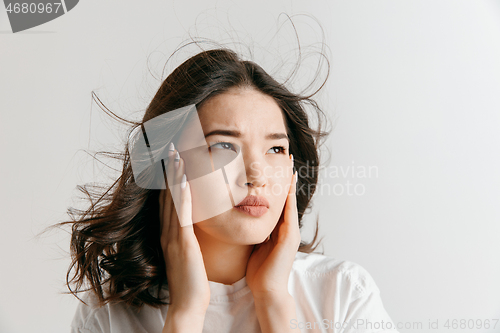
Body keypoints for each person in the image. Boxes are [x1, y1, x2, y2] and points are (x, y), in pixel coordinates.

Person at [67, 47, 399, 332]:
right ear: (167, 166)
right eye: (224, 146)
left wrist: (275, 304)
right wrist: (185, 313)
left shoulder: (342, 293)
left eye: (275, 150)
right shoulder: (109, 314)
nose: (257, 176)